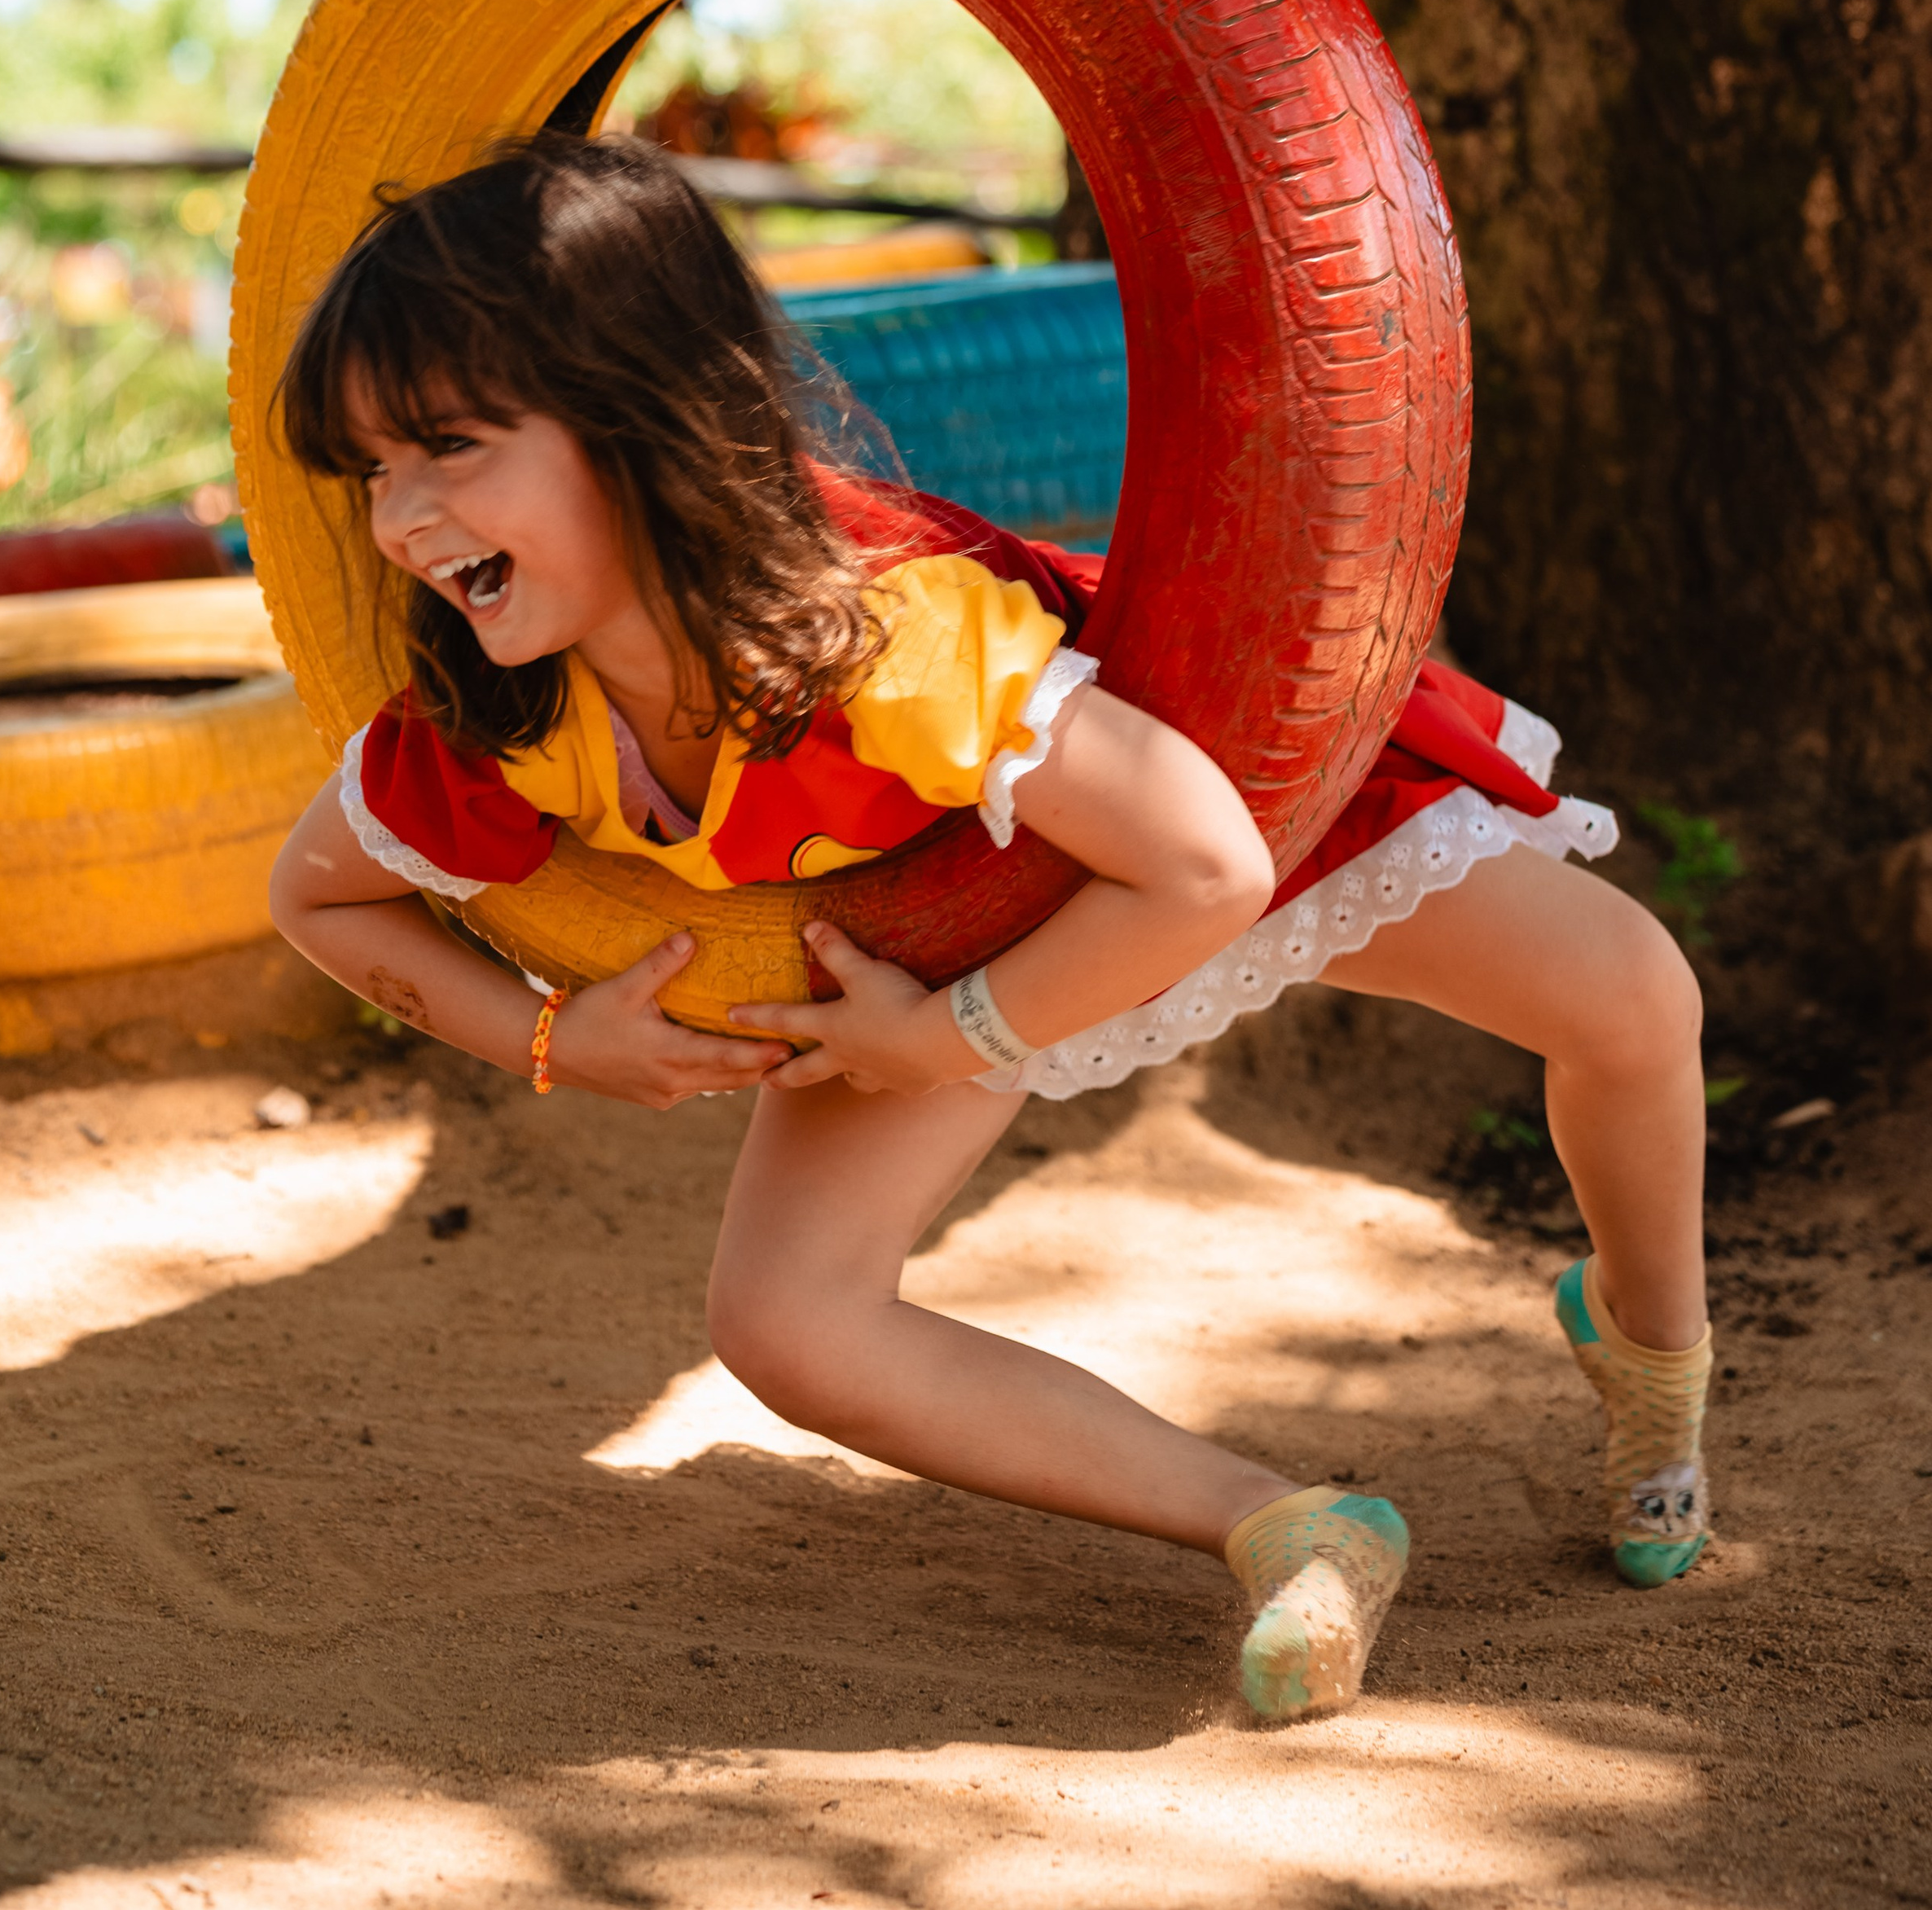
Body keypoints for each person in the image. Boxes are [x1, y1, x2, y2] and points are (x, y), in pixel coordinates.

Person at [267, 130, 1713, 1723]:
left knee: (1630, 998)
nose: (401, 515)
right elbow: (321, 895)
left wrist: (950, 1035)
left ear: (633, 413)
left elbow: (1200, 865)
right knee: (782, 1318)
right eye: (371, 468)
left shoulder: (883, 634)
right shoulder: (508, 705)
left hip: (1171, 818)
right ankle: (1280, 1521)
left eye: (449, 446)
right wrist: (554, 1035)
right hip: (938, 925)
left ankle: (1652, 1357)